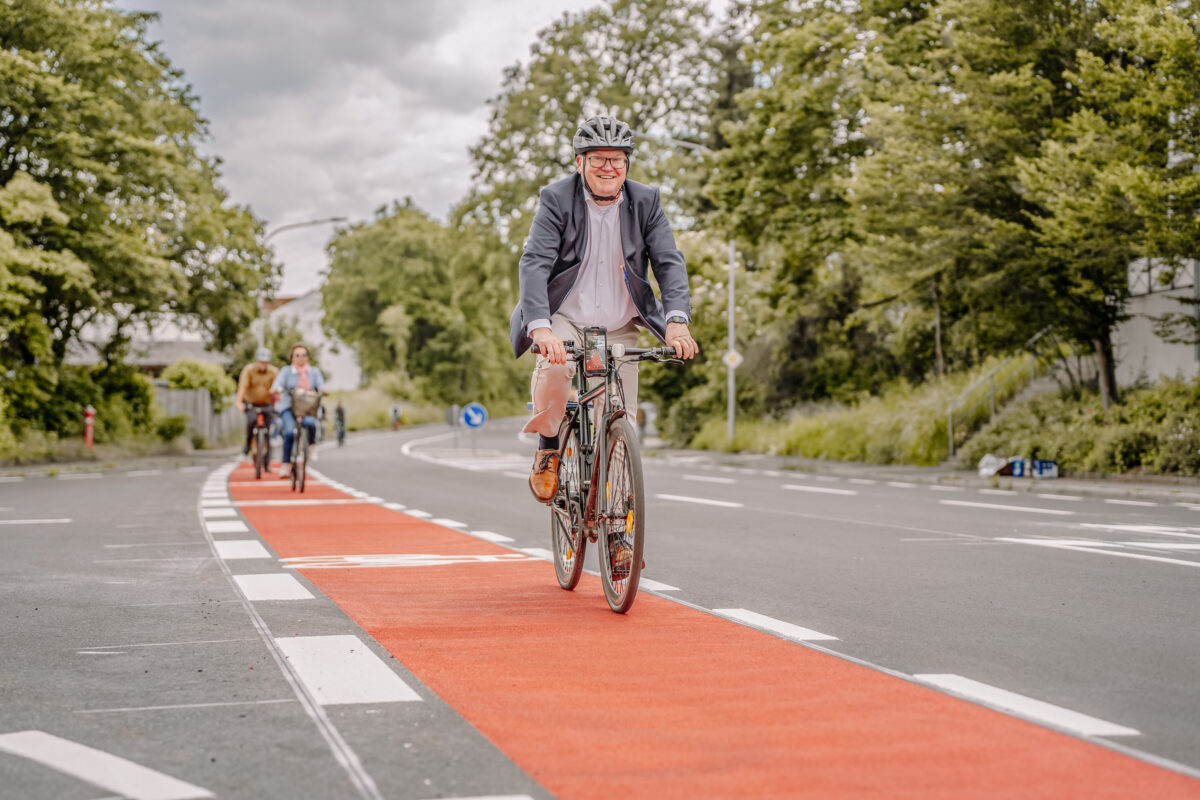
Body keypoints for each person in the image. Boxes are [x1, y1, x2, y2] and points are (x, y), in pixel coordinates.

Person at [509, 114, 698, 512]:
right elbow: (535, 263)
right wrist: (540, 329)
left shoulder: (646, 201)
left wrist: (677, 321)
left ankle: (619, 525)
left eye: (617, 159)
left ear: (627, 163)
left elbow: (669, 262)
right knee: (557, 367)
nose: (608, 167)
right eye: (597, 158)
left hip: (620, 324)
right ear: (580, 162)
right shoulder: (556, 199)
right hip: (565, 318)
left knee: (621, 419)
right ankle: (548, 448)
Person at [270, 343, 326, 478]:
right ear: (292, 358)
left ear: (307, 357)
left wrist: (322, 390)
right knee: (289, 432)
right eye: (297, 355)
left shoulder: (314, 372)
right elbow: (278, 384)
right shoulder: (286, 371)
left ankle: (311, 446)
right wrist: (276, 389)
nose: (301, 358)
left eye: (304, 355)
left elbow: (321, 385)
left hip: (307, 407)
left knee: (311, 423)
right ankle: (285, 465)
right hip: (288, 406)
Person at [235, 347, 279, 470]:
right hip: (251, 403)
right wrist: (239, 402)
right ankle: (247, 444)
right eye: (261, 362)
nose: (263, 365)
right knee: (251, 421)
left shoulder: (273, 371)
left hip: (267, 404)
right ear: (256, 361)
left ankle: (267, 463)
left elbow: (278, 388)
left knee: (267, 432)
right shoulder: (248, 370)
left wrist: (279, 401)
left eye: (265, 362)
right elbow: (242, 387)